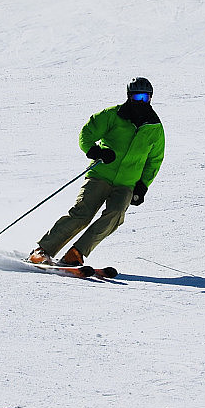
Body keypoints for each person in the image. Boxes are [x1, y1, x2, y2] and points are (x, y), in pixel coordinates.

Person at [29, 77, 165, 266]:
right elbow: (87, 133)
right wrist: (95, 151)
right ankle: (42, 250)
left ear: (150, 98)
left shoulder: (155, 128)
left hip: (127, 183)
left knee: (115, 215)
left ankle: (76, 253)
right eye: (137, 96)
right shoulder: (112, 115)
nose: (141, 101)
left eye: (145, 97)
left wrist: (142, 186)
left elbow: (154, 160)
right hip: (100, 175)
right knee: (82, 214)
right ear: (129, 96)